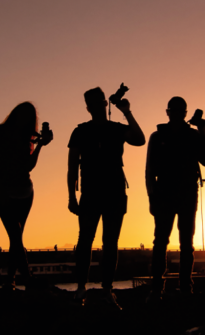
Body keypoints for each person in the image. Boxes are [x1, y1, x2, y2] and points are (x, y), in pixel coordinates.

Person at [67, 87, 145, 308]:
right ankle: (82, 287)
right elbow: (72, 166)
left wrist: (127, 112)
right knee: (85, 242)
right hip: (91, 193)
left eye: (99, 102)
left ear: (103, 104)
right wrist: (71, 197)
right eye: (92, 104)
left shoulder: (117, 129)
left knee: (110, 243)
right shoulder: (80, 132)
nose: (97, 107)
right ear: (89, 108)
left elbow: (139, 139)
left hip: (114, 192)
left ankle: (107, 289)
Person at [145, 96, 205, 302]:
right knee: (160, 242)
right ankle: (157, 288)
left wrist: (203, 132)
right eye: (173, 111)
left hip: (187, 193)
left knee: (186, 243)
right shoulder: (157, 136)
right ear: (168, 112)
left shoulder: (193, 136)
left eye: (179, 111)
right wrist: (152, 197)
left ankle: (185, 288)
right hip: (164, 193)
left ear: (184, 113)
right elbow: (149, 170)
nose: (176, 114)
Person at [0, 102, 53, 291]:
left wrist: (40, 145)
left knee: (16, 238)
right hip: (8, 192)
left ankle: (10, 281)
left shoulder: (26, 138)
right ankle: (25, 279)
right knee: (16, 237)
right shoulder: (6, 134)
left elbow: (28, 166)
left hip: (22, 191)